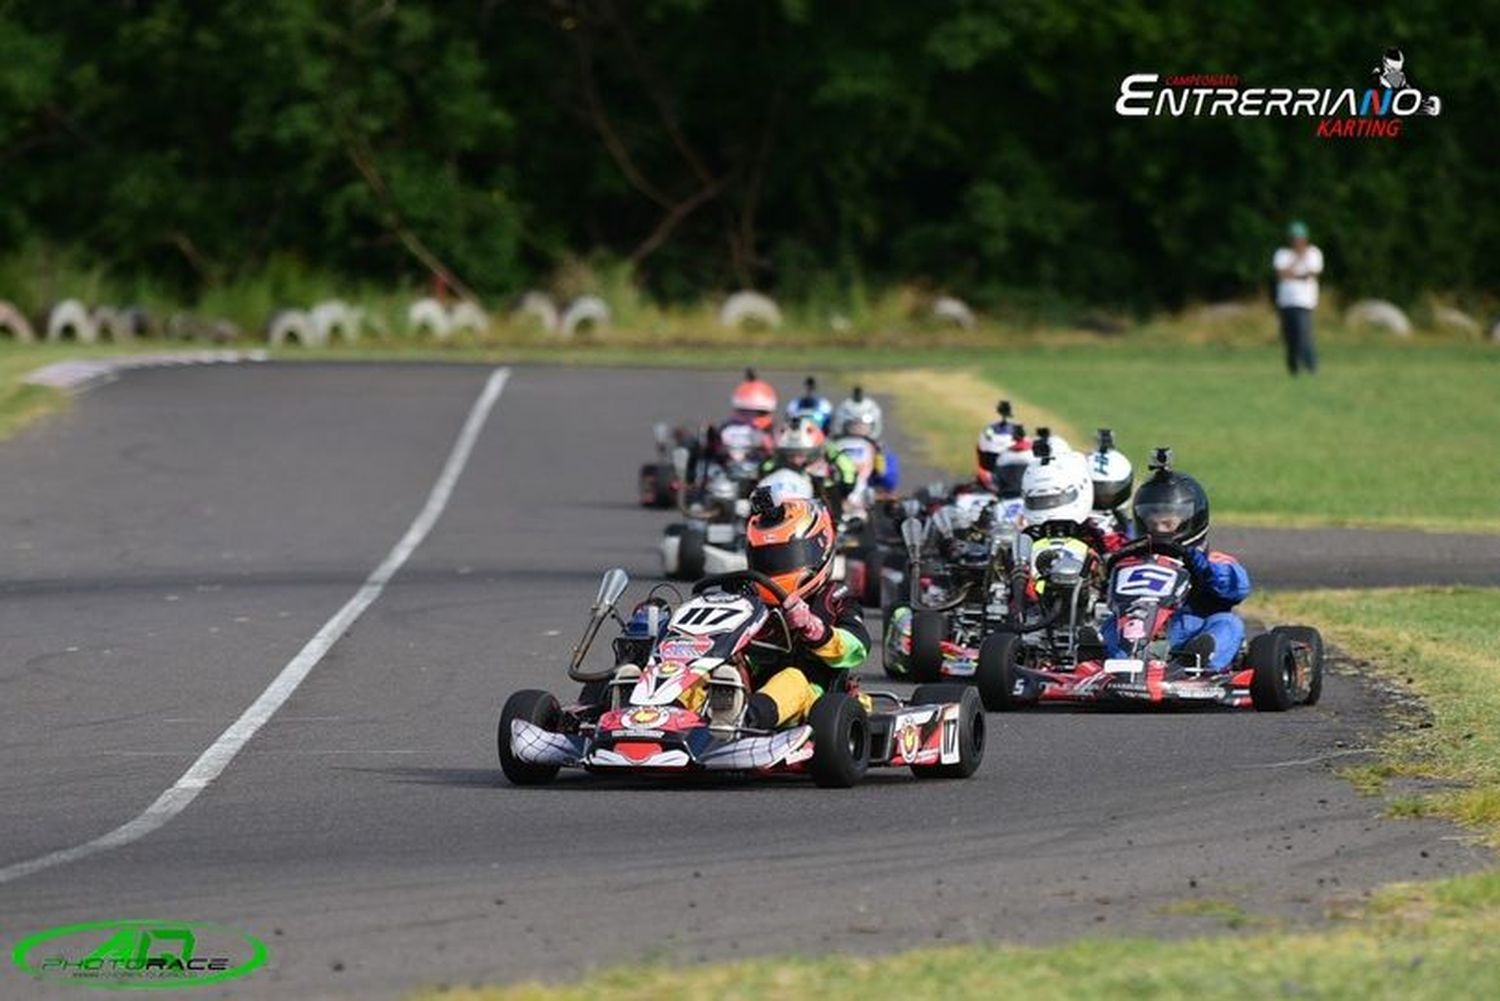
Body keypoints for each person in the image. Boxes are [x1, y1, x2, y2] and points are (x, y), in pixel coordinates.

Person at [1103, 450, 1251, 672]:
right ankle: (1117, 664)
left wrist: (1203, 567)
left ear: (1191, 520)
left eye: (1167, 523)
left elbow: (1237, 588)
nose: (1159, 530)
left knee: (1228, 624)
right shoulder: (1132, 558)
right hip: (1140, 629)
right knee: (1108, 625)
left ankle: (1200, 663)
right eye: (1153, 523)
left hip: (1192, 631)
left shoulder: (1213, 560)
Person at [740, 491, 871, 729]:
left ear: (819, 549)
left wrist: (815, 630)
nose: (775, 569)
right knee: (711, 672)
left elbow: (857, 648)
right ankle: (664, 717)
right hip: (749, 688)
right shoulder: (748, 600)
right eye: (767, 561)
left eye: (785, 557)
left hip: (815, 699)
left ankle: (746, 722)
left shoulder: (834, 599)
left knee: (792, 679)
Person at [759, 418, 860, 516]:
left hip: (816, 520)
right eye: (790, 455)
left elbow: (848, 481)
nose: (796, 460)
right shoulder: (769, 467)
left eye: (802, 454)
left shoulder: (829, 466)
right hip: (776, 519)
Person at [1272, 221, 1323, 375]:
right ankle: (1293, 367)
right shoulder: (1282, 254)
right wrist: (1297, 259)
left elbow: (1311, 274)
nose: (1297, 241)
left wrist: (1292, 274)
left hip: (1305, 302)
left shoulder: (1314, 253)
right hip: (1286, 302)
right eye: (1294, 238)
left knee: (1303, 334)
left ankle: (1311, 366)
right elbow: (1281, 275)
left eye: (1299, 238)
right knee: (1290, 336)